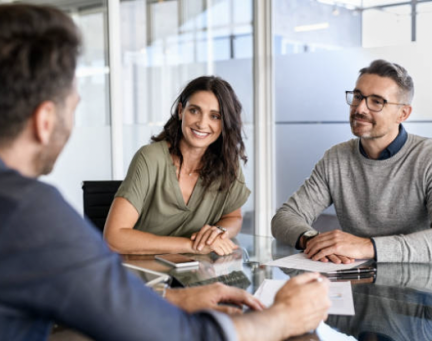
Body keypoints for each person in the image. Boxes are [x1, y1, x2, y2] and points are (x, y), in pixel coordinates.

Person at [0, 3, 331, 341]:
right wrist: (282, 317)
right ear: (44, 122)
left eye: (215, 116)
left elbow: (98, 299)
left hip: (165, 288)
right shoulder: (30, 215)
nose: (203, 122)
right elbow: (177, 334)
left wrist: (176, 295)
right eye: (74, 105)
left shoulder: (22, 214)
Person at [272, 59, 432, 264]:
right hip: (353, 285)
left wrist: (367, 246)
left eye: (377, 101)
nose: (360, 109)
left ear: (402, 114)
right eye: (358, 96)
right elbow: (284, 217)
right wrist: (313, 240)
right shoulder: (336, 158)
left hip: (421, 289)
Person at [104, 76, 250, 256]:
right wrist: (190, 246)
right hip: (141, 273)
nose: (202, 123)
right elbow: (113, 238)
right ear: (181, 111)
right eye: (194, 111)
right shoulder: (150, 158)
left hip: (195, 274)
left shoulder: (228, 163)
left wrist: (219, 232)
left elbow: (233, 217)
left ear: (224, 122)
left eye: (215, 116)